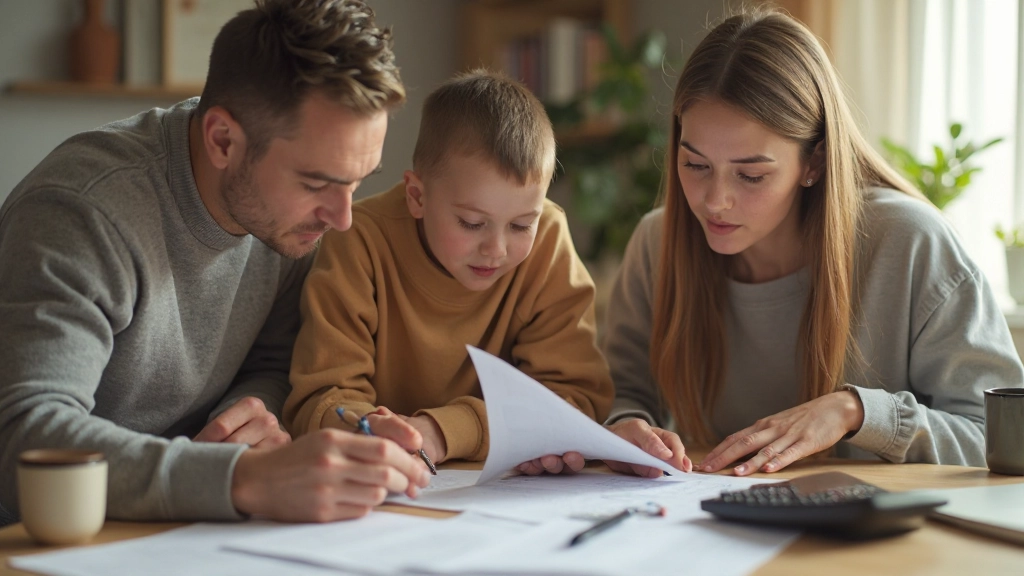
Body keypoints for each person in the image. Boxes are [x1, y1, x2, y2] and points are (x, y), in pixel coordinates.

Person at [0, 0, 431, 526]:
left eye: (357, 180)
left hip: (181, 530)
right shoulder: (82, 211)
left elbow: (273, 364)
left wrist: (248, 421)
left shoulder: (290, 224)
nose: (341, 218)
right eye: (317, 183)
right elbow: (25, 436)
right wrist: (241, 477)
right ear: (223, 140)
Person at [604, 7, 1024, 478]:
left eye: (751, 174)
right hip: (719, 527)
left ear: (814, 162)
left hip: (889, 542)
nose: (715, 201)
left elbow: (1003, 438)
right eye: (695, 165)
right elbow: (622, 396)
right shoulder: (656, 243)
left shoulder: (910, 242)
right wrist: (624, 427)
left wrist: (858, 413)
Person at [284, 70, 614, 475]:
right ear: (417, 196)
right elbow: (320, 399)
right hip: (387, 481)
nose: (496, 249)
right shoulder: (359, 240)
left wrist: (443, 432)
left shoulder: (547, 241)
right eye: (472, 223)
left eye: (521, 225)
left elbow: (575, 402)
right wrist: (373, 435)